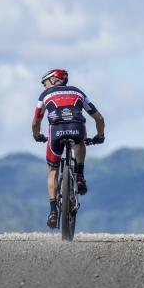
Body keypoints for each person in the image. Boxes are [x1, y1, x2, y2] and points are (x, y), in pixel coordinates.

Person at [32, 68, 105, 229]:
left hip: (56, 132)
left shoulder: (45, 95)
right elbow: (99, 118)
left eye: (44, 83)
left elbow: (36, 122)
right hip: (77, 129)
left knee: (52, 171)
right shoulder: (78, 92)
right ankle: (79, 175)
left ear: (52, 81)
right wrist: (100, 136)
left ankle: (53, 212)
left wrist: (37, 135)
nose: (44, 87)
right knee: (81, 139)